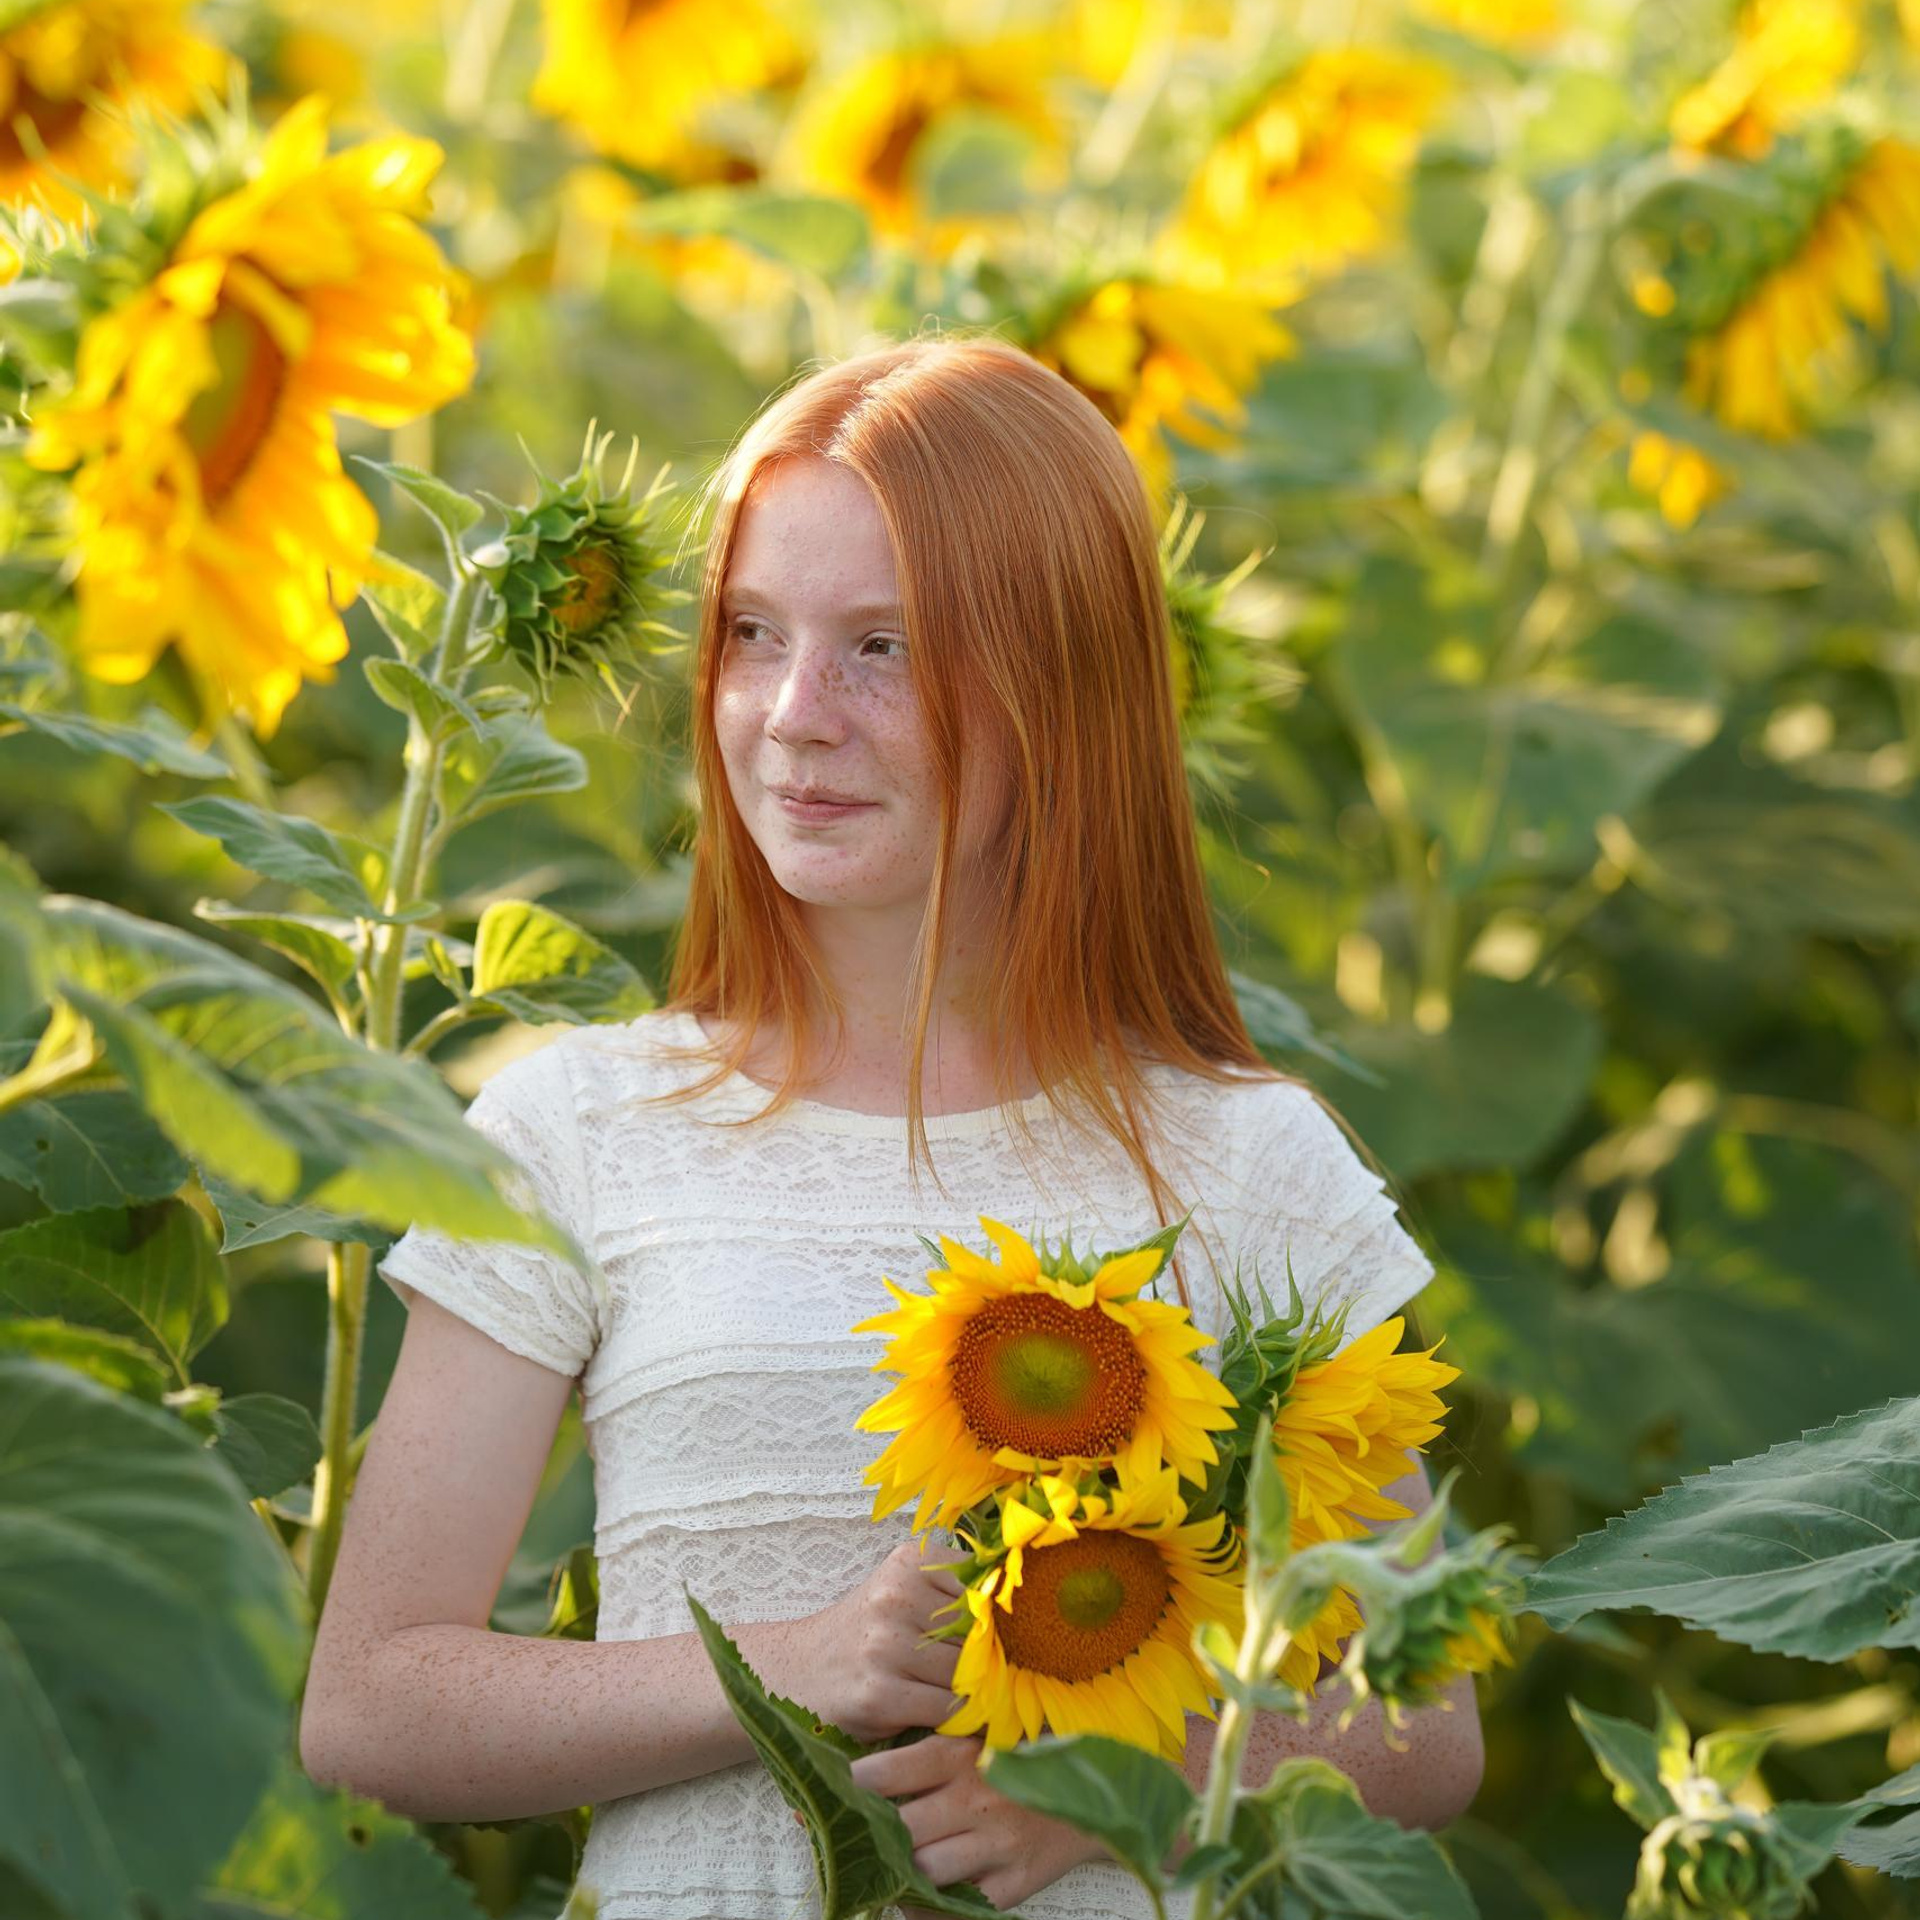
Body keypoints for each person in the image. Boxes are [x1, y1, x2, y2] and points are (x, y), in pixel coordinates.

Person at [298, 330, 1484, 1920]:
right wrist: (796, 1666)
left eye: (886, 648)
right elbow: (372, 1707)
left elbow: (1426, 1724)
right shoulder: (578, 1130)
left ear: (1065, 685)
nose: (794, 714)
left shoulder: (1248, 1165)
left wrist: (1127, 1785)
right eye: (751, 633)